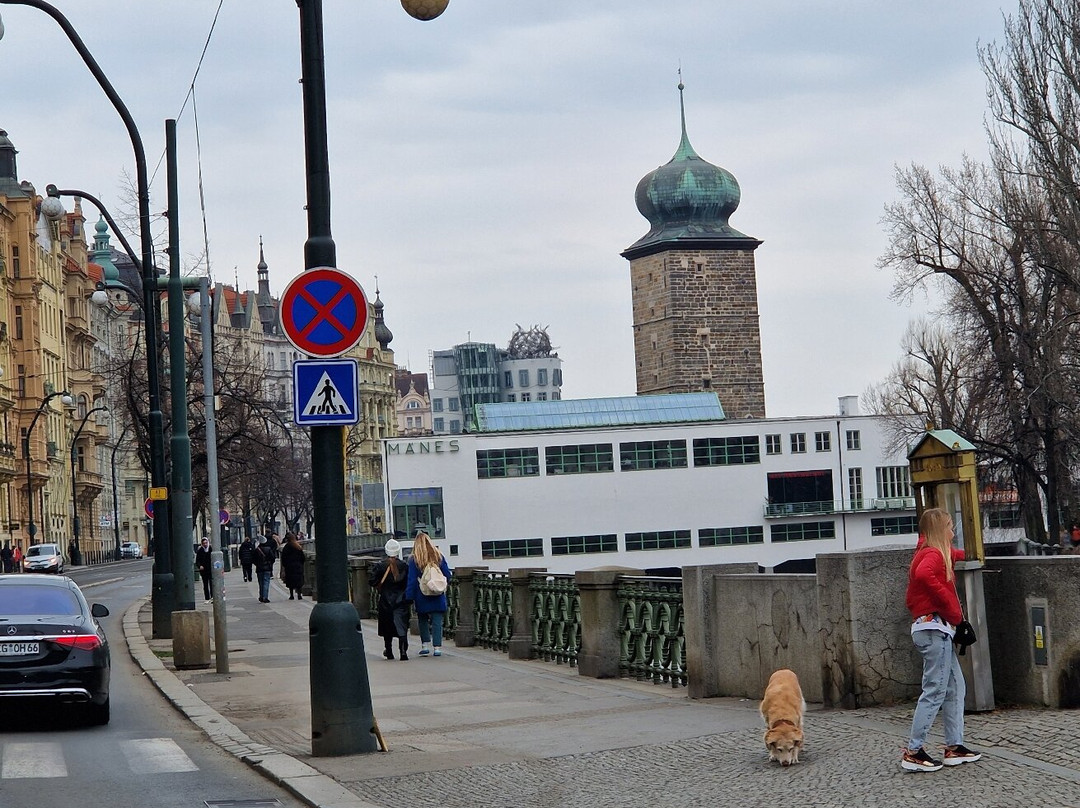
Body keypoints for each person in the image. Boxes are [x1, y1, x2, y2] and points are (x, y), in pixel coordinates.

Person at [901, 507, 982, 772]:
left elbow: (942, 559)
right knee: (935, 690)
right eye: (949, 526)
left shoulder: (930, 551)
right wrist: (953, 610)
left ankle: (954, 746)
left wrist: (969, 553)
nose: (952, 531)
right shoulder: (933, 555)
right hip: (934, 629)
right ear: (939, 530)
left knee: (955, 687)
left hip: (934, 629)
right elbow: (926, 574)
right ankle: (913, 751)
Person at [405, 530, 451, 657]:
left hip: (422, 594)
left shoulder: (415, 560)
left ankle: (425, 645)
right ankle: (437, 647)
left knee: (423, 619)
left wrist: (409, 596)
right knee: (437, 621)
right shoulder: (439, 556)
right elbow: (447, 575)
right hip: (437, 593)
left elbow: (412, 580)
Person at [370, 538, 410, 660]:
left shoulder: (380, 566)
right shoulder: (404, 565)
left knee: (387, 627)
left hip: (385, 600)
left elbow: (372, 581)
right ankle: (403, 652)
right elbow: (408, 582)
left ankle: (389, 651)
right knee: (401, 626)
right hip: (401, 600)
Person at [279, 532, 306, 600]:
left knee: (290, 581)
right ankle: (299, 594)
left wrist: (285, 566)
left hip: (290, 567)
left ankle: (291, 595)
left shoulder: (286, 547)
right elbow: (303, 557)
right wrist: (301, 564)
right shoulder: (298, 547)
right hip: (298, 566)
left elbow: (283, 558)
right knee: (298, 581)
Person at [253, 535, 277, 603]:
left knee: (260, 583)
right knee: (266, 582)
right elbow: (273, 558)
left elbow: (253, 559)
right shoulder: (268, 549)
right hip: (267, 568)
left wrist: (257, 564)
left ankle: (261, 596)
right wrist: (269, 563)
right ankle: (265, 597)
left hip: (259, 568)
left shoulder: (257, 550)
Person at [195, 536, 214, 603]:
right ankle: (207, 598)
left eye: (206, 543)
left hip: (210, 569)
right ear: (202, 544)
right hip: (203, 570)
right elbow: (197, 560)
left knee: (212, 584)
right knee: (205, 584)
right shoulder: (200, 550)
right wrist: (200, 566)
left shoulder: (211, 549)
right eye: (204, 543)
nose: (205, 544)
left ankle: (212, 597)